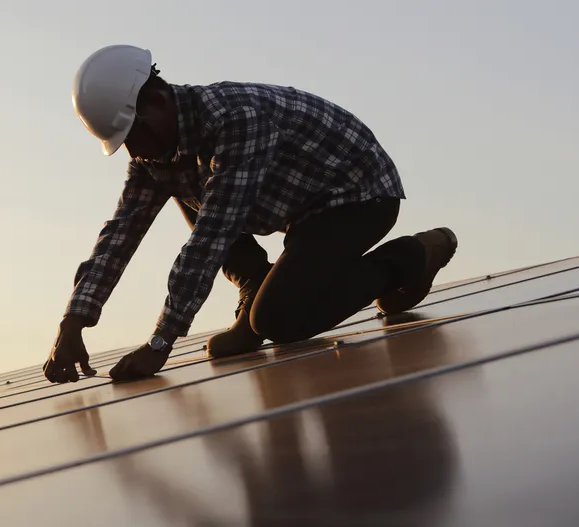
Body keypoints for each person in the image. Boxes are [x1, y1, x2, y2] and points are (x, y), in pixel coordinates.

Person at [42, 45, 458, 385]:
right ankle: (255, 287)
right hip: (300, 210)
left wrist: (160, 343)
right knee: (182, 185)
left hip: (358, 197)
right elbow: (119, 236)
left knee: (279, 318)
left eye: (133, 135)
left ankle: (409, 258)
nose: (133, 152)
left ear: (157, 100)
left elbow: (213, 235)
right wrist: (72, 324)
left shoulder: (235, 119)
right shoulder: (157, 154)